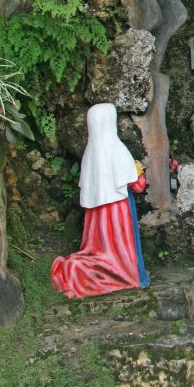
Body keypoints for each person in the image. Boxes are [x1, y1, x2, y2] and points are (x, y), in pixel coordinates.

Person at [51, 103, 150, 299]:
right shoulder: (117, 149)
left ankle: (83, 268)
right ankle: (124, 272)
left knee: (99, 247)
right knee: (118, 249)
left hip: (96, 216)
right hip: (118, 212)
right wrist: (139, 172)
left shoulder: (90, 153)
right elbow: (137, 185)